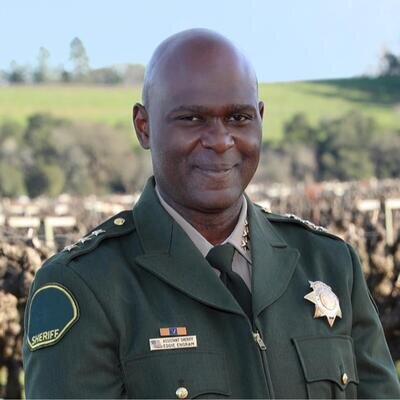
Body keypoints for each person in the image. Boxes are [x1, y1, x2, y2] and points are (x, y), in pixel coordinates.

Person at [23, 29, 400, 399]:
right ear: (144, 127)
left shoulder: (330, 264)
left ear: (260, 118)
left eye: (238, 117)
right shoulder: (87, 287)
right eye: (192, 119)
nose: (220, 141)